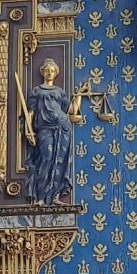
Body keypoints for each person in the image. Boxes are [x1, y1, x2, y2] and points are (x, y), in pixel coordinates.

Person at [23, 59, 85, 205]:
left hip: (63, 127)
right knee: (46, 158)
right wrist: (27, 130)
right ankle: (41, 197)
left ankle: (55, 197)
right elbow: (30, 112)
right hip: (44, 128)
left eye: (52, 71)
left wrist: (79, 95)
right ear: (43, 72)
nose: (49, 73)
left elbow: (71, 110)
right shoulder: (37, 91)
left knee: (59, 161)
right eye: (47, 70)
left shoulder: (59, 92)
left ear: (56, 73)